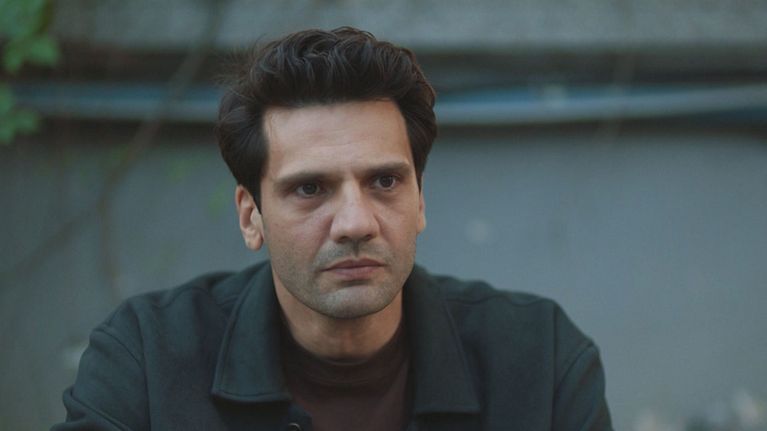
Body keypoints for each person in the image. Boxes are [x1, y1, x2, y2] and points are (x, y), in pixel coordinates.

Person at [53, 27, 612, 430]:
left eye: (385, 182)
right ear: (251, 216)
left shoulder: (538, 361)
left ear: (420, 200)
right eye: (309, 189)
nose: (355, 223)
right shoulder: (147, 363)